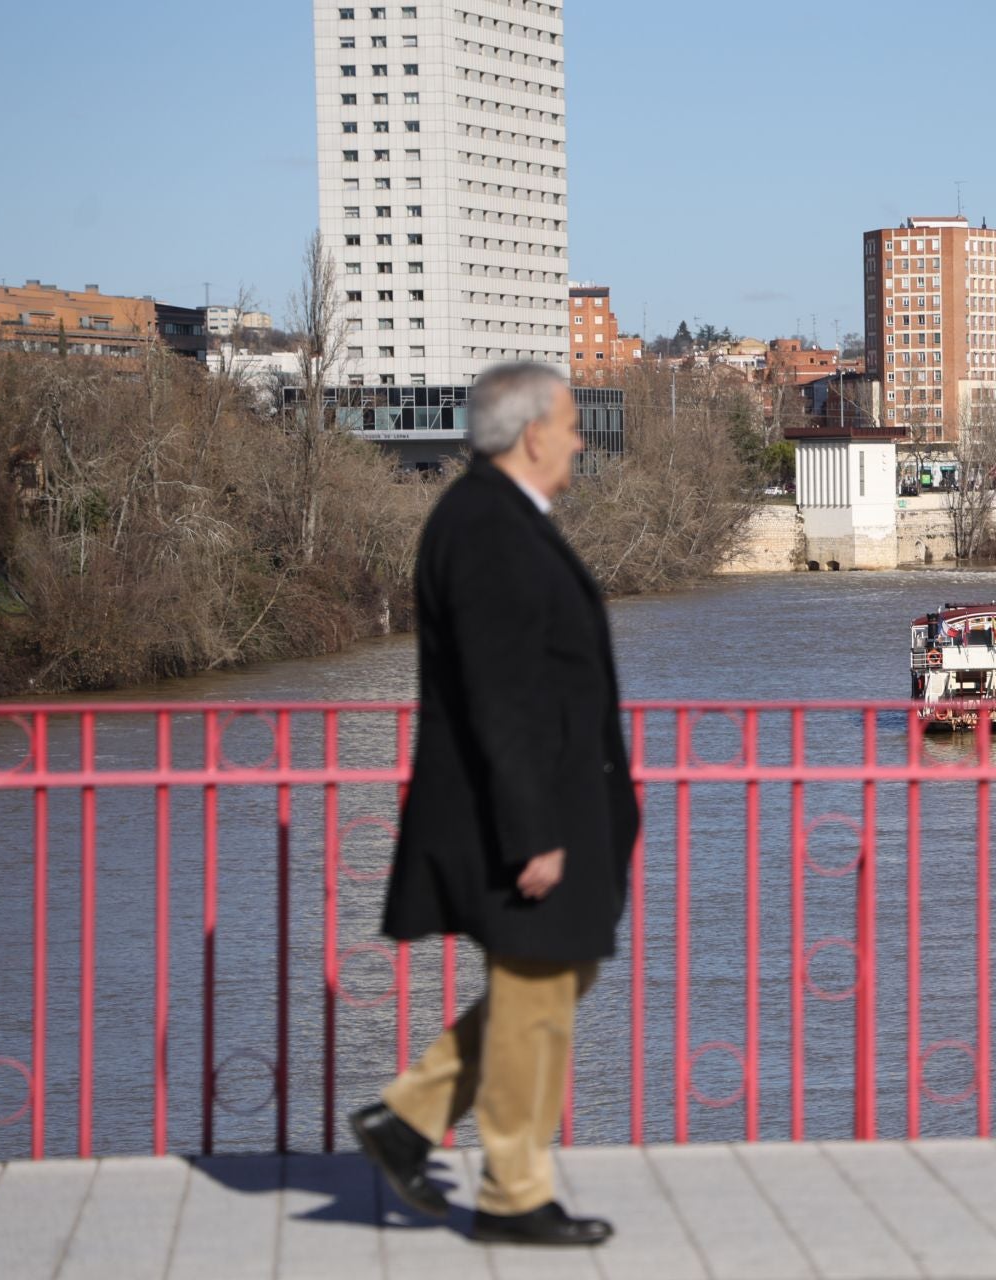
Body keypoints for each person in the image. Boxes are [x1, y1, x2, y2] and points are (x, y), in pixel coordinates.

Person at [350, 362, 638, 1248]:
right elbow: (499, 695)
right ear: (532, 433)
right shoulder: (487, 529)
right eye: (571, 424)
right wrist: (534, 834)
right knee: (534, 994)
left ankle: (409, 1117)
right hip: (519, 812)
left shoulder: (500, 518)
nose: (582, 441)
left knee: (556, 980)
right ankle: (514, 1194)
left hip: (544, 803)